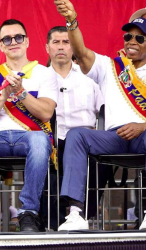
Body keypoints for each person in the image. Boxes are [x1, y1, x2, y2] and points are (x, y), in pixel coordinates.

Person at [54, 0, 146, 231]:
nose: (132, 41)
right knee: (76, 135)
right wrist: (71, 21)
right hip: (113, 138)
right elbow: (82, 54)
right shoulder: (110, 66)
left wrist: (141, 127)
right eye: (128, 36)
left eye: (139, 37)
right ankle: (75, 213)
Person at [0, 19, 58, 233]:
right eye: (7, 38)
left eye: (18, 37)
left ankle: (29, 213)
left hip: (30, 136)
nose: (13, 41)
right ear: (0, 45)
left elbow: (46, 113)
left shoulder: (45, 73)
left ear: (27, 42)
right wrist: (3, 96)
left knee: (40, 139)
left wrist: (21, 93)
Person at [40, 26, 105, 229]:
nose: (61, 47)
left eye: (66, 42)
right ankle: (49, 220)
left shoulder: (90, 77)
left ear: (74, 47)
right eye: (56, 42)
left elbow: (102, 112)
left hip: (85, 141)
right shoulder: (37, 76)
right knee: (38, 155)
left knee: (102, 162)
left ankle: (81, 214)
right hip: (50, 140)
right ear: (47, 47)